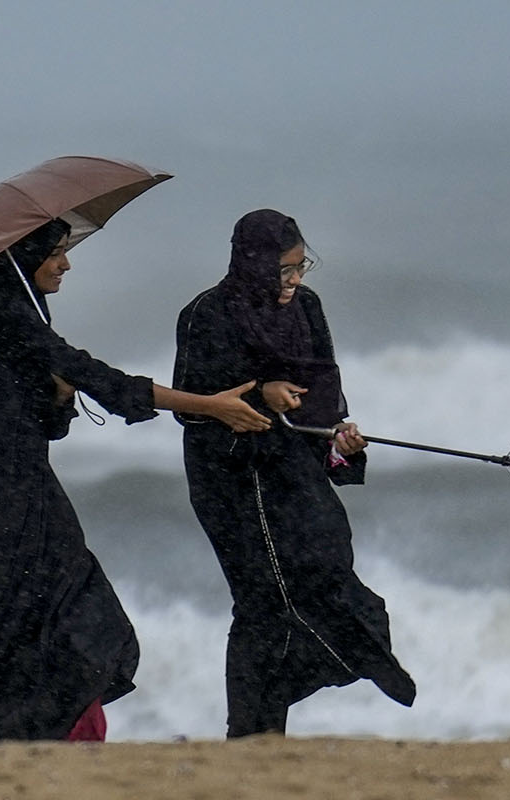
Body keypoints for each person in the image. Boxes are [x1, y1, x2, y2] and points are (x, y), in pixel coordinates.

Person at [0, 217, 271, 742]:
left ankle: (17, 735)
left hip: (17, 475)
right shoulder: (0, 306)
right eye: (57, 252)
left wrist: (60, 396)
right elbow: (101, 378)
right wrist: (207, 405)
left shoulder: (19, 308)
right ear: (27, 255)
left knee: (43, 607)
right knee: (2, 614)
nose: (67, 263)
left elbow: (46, 413)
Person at [172, 208, 416, 738]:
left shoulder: (307, 307)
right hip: (232, 479)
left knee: (327, 567)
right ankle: (255, 732)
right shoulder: (206, 315)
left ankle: (330, 673)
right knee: (264, 602)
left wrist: (341, 441)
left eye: (302, 266)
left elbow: (324, 389)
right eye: (286, 269)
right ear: (255, 264)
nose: (296, 280)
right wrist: (261, 391)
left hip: (296, 470)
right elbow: (189, 407)